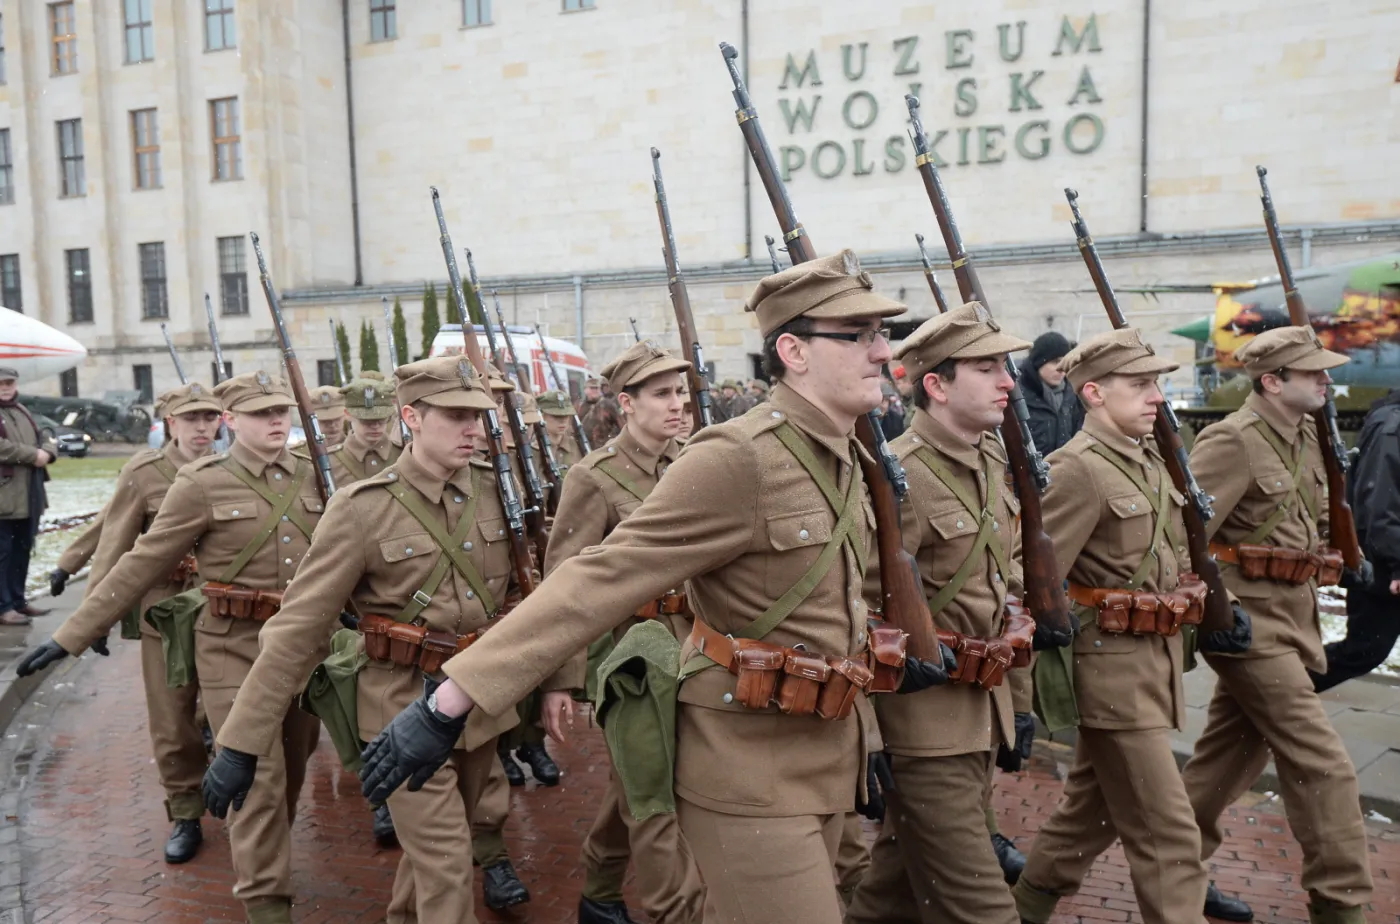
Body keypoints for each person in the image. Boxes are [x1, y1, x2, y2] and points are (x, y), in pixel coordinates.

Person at [359, 250, 959, 924]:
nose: (884, 352)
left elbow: (844, 616)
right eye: (861, 336)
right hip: (747, 770)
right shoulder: (739, 457)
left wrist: (869, 741)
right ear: (793, 350)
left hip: (826, 754)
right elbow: (595, 576)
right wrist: (450, 700)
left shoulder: (847, 455)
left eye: (881, 334)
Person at [201, 356, 547, 924]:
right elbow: (296, 630)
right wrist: (239, 742)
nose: (473, 428)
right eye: (457, 415)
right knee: (446, 866)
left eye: (478, 416)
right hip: (398, 710)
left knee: (437, 854)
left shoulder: (494, 492)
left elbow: (533, 597)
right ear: (410, 415)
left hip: (478, 706)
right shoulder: (363, 508)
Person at [16, 370, 325, 924]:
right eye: (261, 413)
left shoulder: (313, 476)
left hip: (300, 649)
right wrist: (76, 631)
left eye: (281, 410)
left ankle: (266, 848)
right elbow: (139, 557)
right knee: (253, 771)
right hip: (230, 647)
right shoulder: (202, 482)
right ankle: (266, 902)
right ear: (235, 421)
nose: (277, 420)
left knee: (295, 766)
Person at [1011, 328, 1223, 924]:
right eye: (1141, 384)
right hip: (1110, 675)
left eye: (1156, 382)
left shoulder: (1147, 459)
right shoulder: (1077, 470)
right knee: (1170, 836)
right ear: (1096, 393)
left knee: (1093, 809)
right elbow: (1028, 574)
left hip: (1151, 668)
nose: (1157, 395)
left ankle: (1025, 907)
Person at [845, 303, 1037, 924]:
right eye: (987, 368)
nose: (1009, 381)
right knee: (983, 907)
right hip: (924, 734)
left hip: (980, 715)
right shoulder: (901, 476)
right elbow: (860, 616)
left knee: (893, 892)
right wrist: (868, 737)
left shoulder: (989, 463)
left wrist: (1020, 705)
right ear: (937, 384)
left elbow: (1004, 598)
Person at [1181, 325, 1373, 924]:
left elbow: (1305, 522)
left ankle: (1171, 866)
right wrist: (1216, 615)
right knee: (1323, 761)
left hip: (1293, 620)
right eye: (1312, 371)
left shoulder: (1304, 438)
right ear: (1271, 380)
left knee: (1225, 760)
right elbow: (1185, 541)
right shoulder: (1232, 441)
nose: (1327, 379)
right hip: (1248, 627)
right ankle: (1342, 904)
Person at [546, 339, 705, 924]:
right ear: (626, 403)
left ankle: (600, 888)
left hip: (693, 646)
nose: (677, 406)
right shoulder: (595, 477)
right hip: (631, 659)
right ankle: (676, 911)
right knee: (654, 793)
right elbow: (565, 586)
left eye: (681, 394)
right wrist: (558, 682)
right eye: (662, 394)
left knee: (637, 779)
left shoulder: (694, 460)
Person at [59, 384, 223, 860]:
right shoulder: (144, 473)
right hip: (162, 614)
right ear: (170, 422)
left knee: (219, 709)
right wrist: (94, 619)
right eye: (190, 418)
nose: (201, 427)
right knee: (171, 719)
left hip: (221, 613)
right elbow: (113, 546)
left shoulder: (230, 469)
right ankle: (186, 811)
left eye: (209, 417)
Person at [1311, 387, 1400, 692]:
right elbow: (1381, 505)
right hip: (1384, 565)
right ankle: (1277, 693)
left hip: (1385, 561)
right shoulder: (1392, 428)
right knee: (1363, 651)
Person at [0, 367, 56, 625]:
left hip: (28, 496)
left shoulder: (21, 410)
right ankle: (4, 607)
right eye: (0, 383)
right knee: (3, 553)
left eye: (9, 382)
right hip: (4, 498)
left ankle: (19, 601)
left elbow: (44, 434)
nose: (5, 387)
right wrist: (33, 455)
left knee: (23, 549)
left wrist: (46, 450)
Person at [327, 375, 402, 486]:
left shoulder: (403, 455)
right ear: (348, 414)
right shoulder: (329, 461)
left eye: (381, 419)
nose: (375, 426)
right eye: (367, 420)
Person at [1018, 331, 1083, 456]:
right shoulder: (1018, 396)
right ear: (1039, 362)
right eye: (1055, 361)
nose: (1060, 369)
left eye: (1064, 362)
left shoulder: (1073, 393)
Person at [538, 389, 585, 469]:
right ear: (542, 416)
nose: (562, 421)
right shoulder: (534, 449)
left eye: (566, 415)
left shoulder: (577, 445)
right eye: (556, 416)